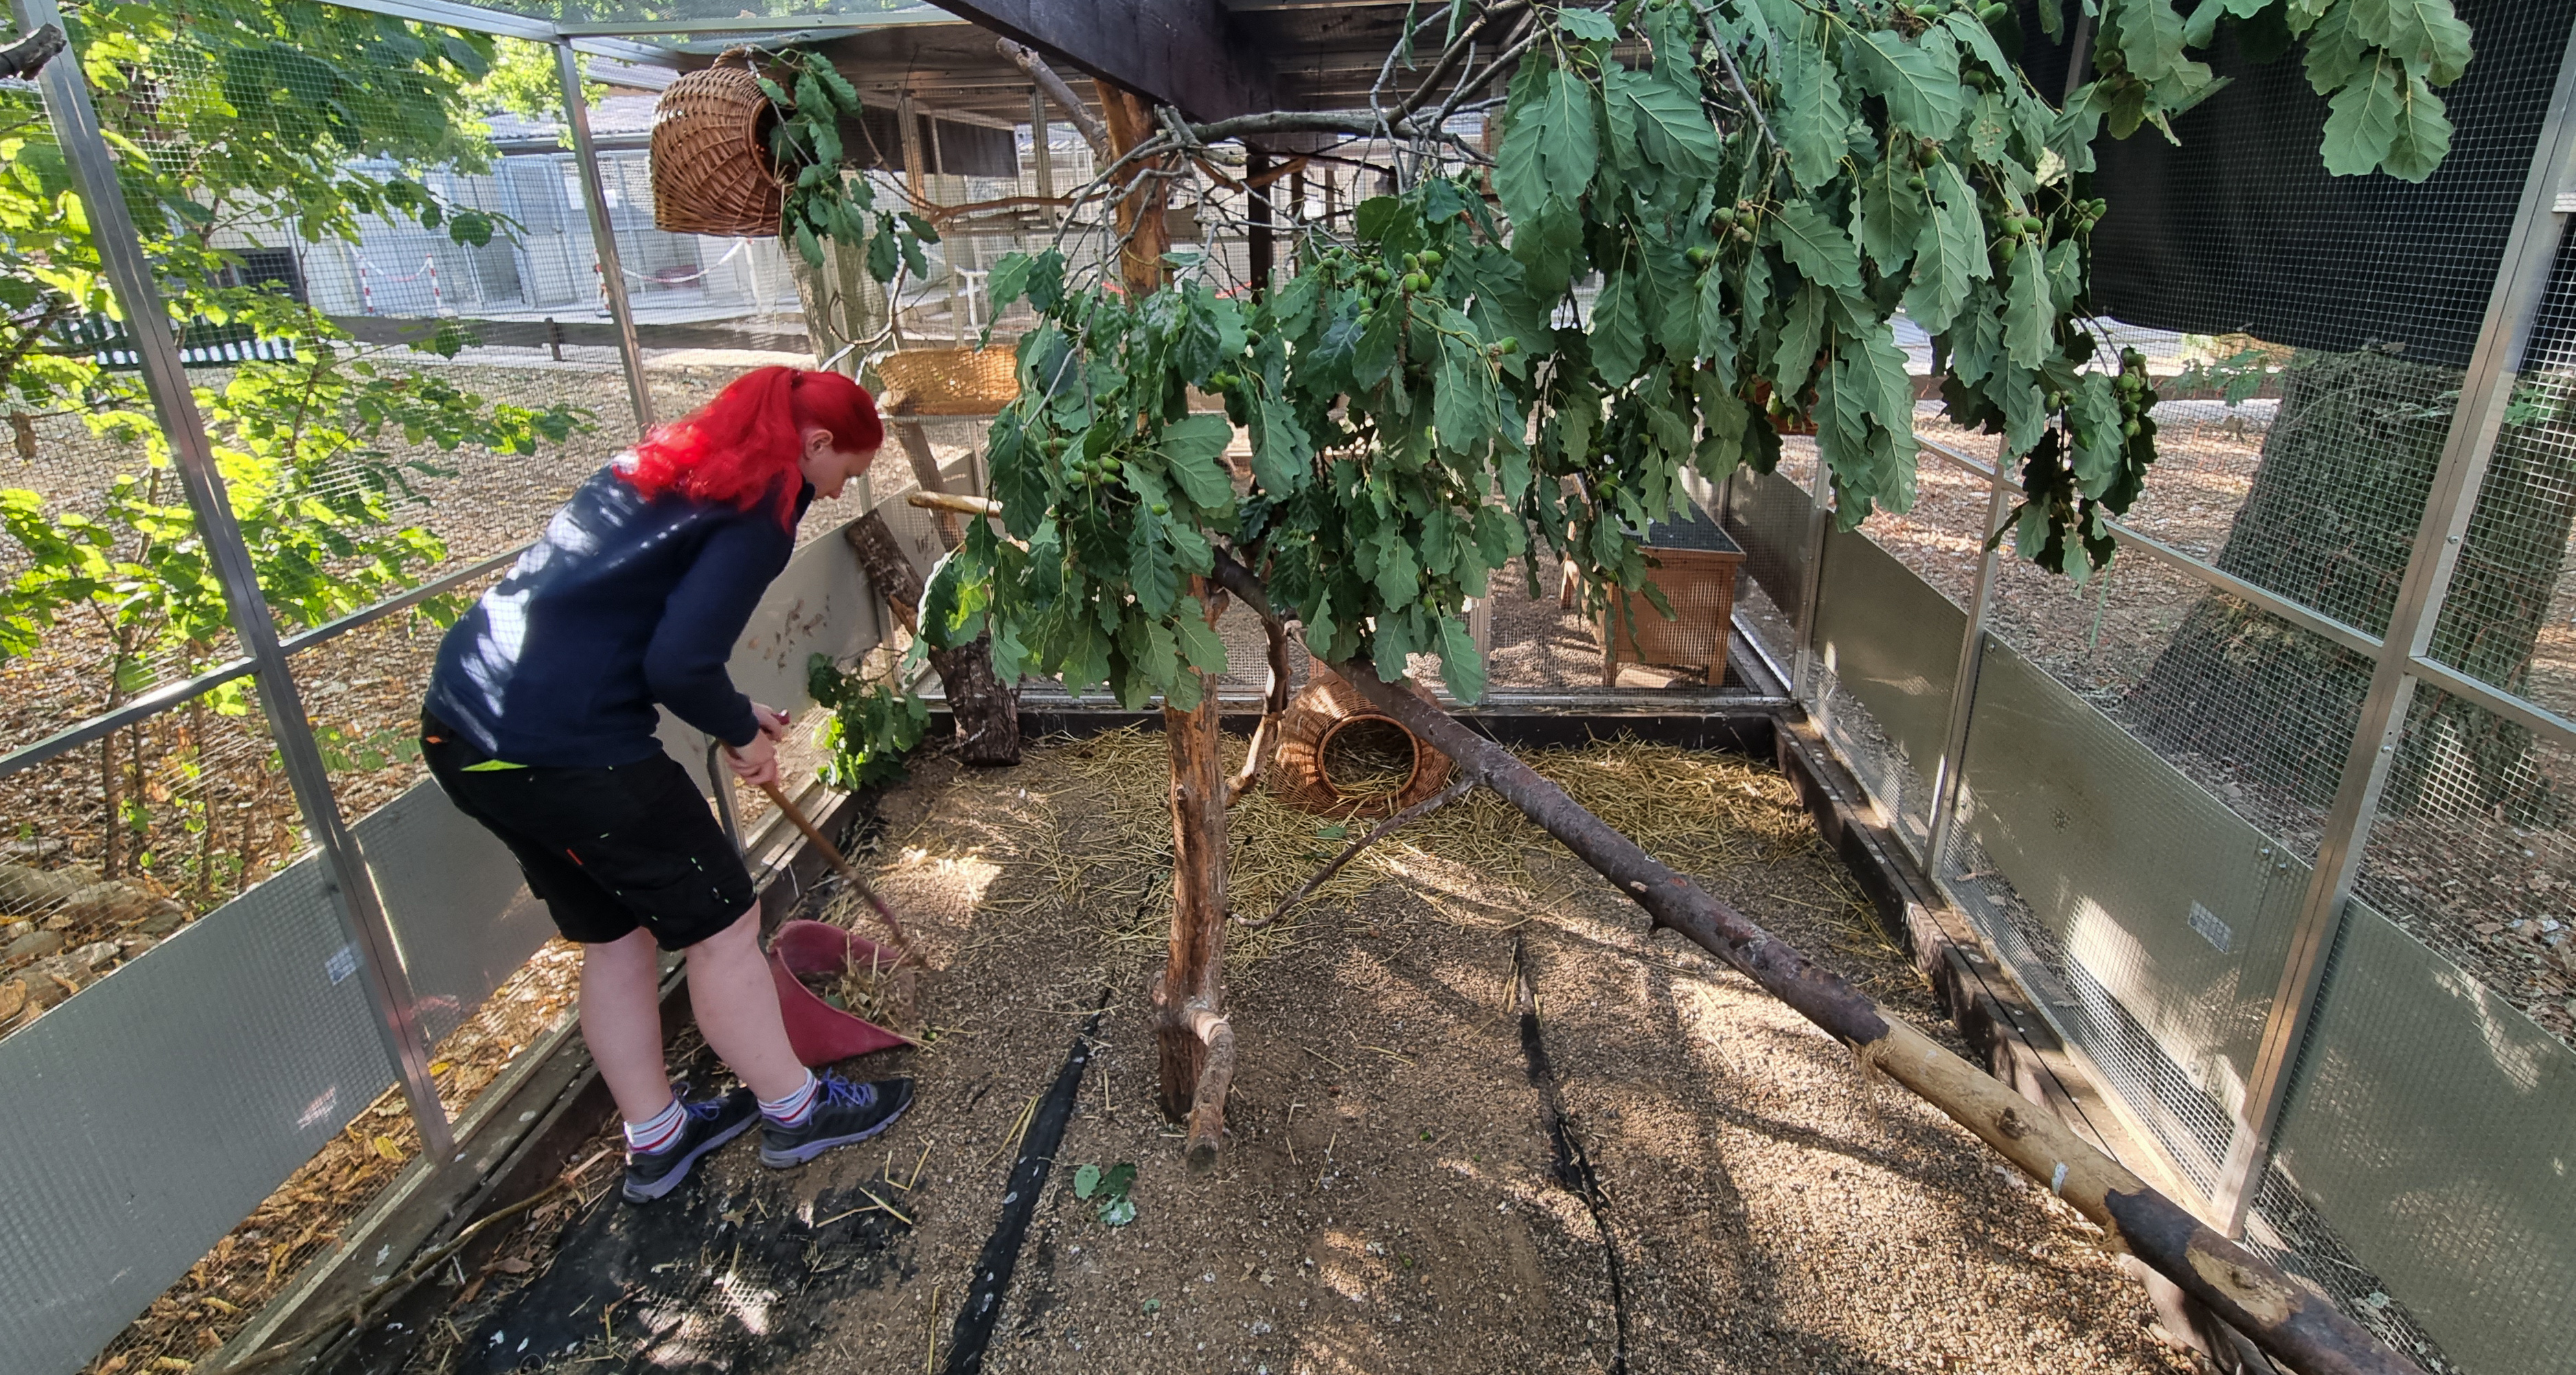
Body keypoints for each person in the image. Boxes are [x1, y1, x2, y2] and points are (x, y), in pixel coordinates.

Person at [420, 367, 911, 1203]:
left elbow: (627, 632)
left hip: (467, 734)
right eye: (845, 475)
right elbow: (678, 662)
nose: (833, 496)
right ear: (817, 445)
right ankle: (795, 1110)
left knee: (615, 935)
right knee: (723, 923)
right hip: (567, 748)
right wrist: (736, 731)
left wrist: (733, 710)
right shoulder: (760, 506)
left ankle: (659, 1134)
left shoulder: (660, 469)